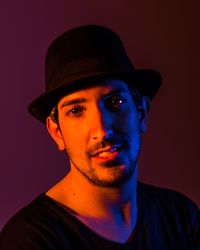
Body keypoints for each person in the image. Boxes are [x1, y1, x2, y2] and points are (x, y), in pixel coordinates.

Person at [0, 25, 199, 250]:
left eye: (115, 103)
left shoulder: (180, 216)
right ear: (57, 132)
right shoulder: (29, 240)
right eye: (76, 110)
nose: (103, 130)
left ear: (141, 113)